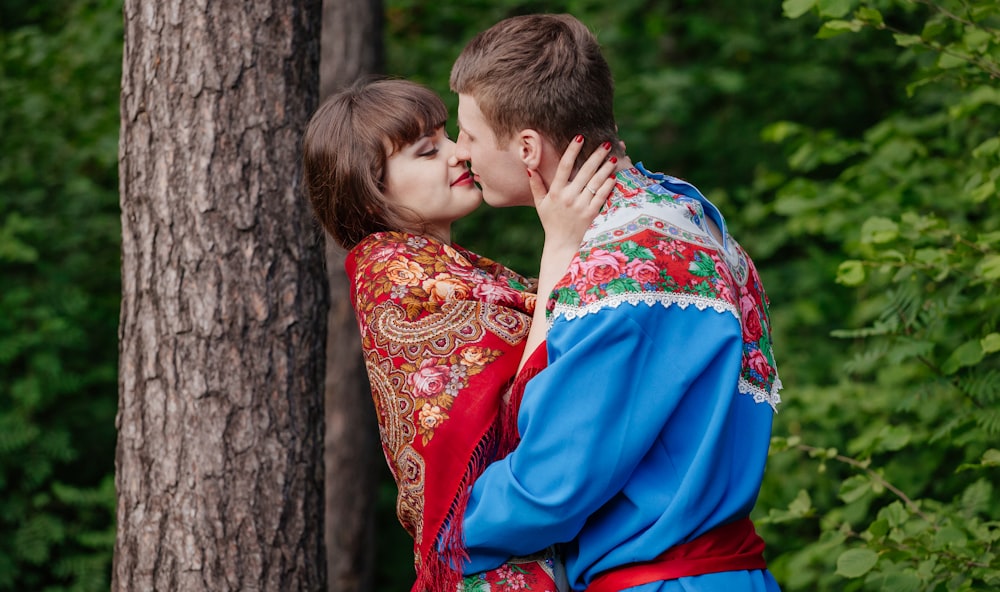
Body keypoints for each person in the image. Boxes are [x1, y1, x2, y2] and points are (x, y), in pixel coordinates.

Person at [444, 14, 784, 592]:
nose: (459, 152)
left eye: (470, 134)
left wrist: (447, 527)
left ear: (527, 147)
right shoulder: (687, 215)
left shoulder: (622, 271)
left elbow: (551, 488)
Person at [301, 77, 617, 592]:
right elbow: (526, 396)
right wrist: (559, 245)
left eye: (450, 137)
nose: (457, 154)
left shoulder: (455, 269)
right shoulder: (396, 278)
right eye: (428, 152)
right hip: (496, 559)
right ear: (369, 190)